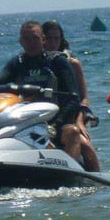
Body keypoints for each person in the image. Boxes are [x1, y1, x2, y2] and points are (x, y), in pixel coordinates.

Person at [0, 20, 83, 163]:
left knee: (72, 132)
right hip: (24, 122)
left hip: (55, 122)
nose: (31, 43)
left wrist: (55, 125)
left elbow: (73, 99)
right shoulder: (18, 63)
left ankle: (72, 171)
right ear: (21, 42)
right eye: (26, 39)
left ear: (43, 39)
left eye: (35, 38)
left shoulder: (58, 61)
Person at [42, 20, 100, 171]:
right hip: (43, 117)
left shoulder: (72, 63)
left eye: (56, 38)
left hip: (70, 116)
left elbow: (83, 99)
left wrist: (79, 122)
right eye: (49, 38)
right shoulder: (35, 63)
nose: (52, 43)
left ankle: (96, 178)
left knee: (85, 146)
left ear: (61, 40)